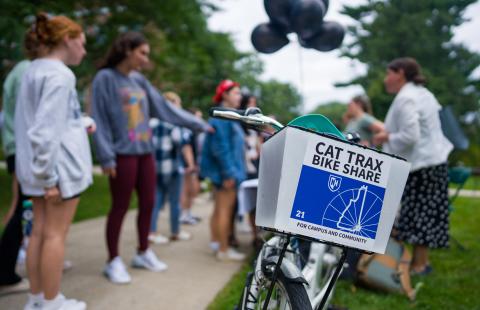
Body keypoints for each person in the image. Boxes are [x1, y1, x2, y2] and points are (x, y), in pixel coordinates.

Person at [91, 31, 209, 284]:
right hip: (121, 155)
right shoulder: (105, 78)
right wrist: (106, 157)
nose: (146, 59)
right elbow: (98, 118)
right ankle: (113, 261)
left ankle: (143, 252)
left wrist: (197, 124)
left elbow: (166, 109)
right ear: (127, 50)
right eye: (142, 53)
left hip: (145, 153)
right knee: (120, 207)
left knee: (149, 202)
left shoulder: (140, 81)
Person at [14, 12, 92, 310]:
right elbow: (45, 131)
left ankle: (36, 300)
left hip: (36, 168)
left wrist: (81, 121)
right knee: (54, 235)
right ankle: (52, 302)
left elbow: (43, 121)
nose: (84, 51)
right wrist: (48, 178)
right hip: (57, 172)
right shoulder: (60, 74)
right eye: (81, 43)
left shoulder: (33, 70)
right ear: (66, 40)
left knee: (38, 233)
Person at [373, 57, 453, 276]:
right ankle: (419, 263)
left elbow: (411, 135)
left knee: (419, 214)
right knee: (423, 213)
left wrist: (386, 136)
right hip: (433, 161)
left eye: (389, 74)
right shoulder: (422, 93)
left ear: (400, 73)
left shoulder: (406, 98)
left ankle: (419, 265)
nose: (386, 79)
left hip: (423, 164)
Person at [0, 29, 40, 296]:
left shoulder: (20, 69)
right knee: (23, 209)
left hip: (16, 146)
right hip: (25, 148)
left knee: (19, 206)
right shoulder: (32, 70)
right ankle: (5, 273)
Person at [201, 79, 247, 261]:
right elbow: (220, 148)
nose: (240, 96)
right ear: (225, 95)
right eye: (236, 93)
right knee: (224, 211)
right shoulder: (222, 116)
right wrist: (229, 173)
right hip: (226, 173)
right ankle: (224, 249)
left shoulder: (226, 115)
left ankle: (216, 243)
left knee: (219, 209)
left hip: (226, 171)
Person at [149, 91, 193, 244]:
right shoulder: (174, 124)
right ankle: (175, 232)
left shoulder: (152, 122)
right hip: (173, 167)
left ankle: (151, 233)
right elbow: (179, 142)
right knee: (175, 201)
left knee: (156, 200)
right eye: (178, 103)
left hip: (155, 167)